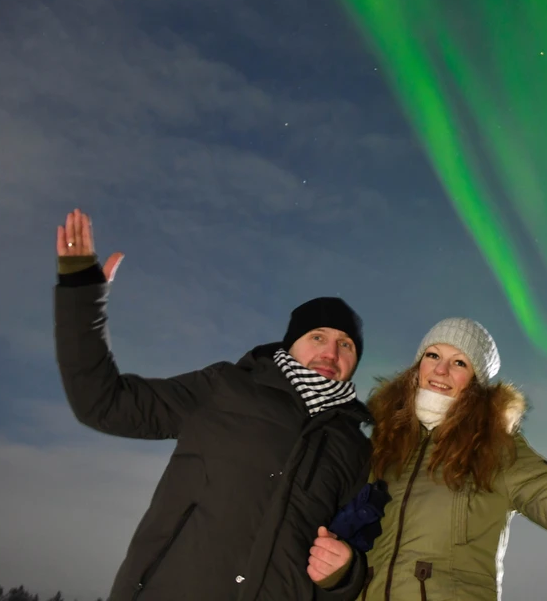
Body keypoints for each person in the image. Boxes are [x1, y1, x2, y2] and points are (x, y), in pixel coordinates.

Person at [53, 208, 373, 601]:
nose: (330, 352)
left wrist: (344, 576)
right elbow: (102, 403)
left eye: (346, 344)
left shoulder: (355, 448)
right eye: (318, 337)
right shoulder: (227, 387)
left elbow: (346, 559)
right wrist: (81, 298)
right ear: (291, 343)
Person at [353, 317, 547, 600]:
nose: (441, 370)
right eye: (432, 355)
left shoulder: (494, 449)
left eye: (459, 362)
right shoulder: (382, 445)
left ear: (476, 382)